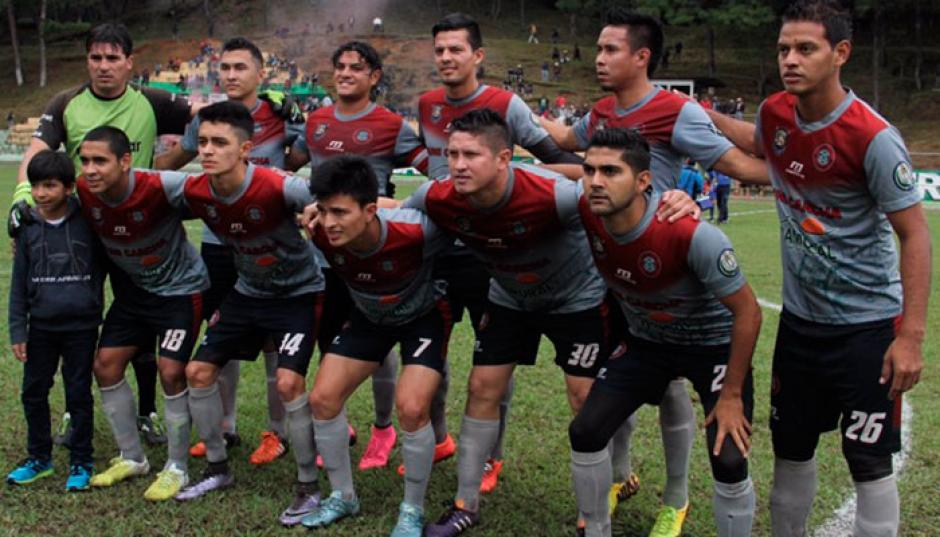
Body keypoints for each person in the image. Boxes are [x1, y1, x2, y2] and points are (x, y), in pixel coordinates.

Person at [415, 109, 696, 537]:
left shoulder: (555, 195)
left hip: (576, 301)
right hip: (509, 298)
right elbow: (390, 214)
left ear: (505, 158)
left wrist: (675, 199)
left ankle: (592, 517)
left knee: (584, 399)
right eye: (452, 154)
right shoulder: (439, 195)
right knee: (481, 388)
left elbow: (623, 203)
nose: (457, 164)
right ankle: (464, 504)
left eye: (471, 154)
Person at [707, 2, 931, 535]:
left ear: (840, 54)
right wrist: (695, 115)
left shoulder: (872, 137)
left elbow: (915, 233)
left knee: (869, 461)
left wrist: (911, 337)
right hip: (802, 328)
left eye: (805, 49)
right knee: (791, 450)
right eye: (784, 48)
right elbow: (759, 145)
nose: (790, 59)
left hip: (868, 328)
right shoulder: (775, 113)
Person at [539, 10, 769, 531]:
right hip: (623, 282)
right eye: (597, 49)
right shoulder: (599, 114)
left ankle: (676, 496)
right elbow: (570, 145)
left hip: (671, 253)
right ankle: (617, 482)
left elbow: (735, 164)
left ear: (642, 57)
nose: (598, 58)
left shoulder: (674, 110)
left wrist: (807, 176)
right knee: (621, 397)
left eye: (610, 50)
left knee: (677, 402)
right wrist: (505, 120)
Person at [416, 12, 584, 492]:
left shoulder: (504, 104)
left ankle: (491, 457)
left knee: (493, 361)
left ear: (478, 56)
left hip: (491, 254)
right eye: (440, 50)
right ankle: (441, 439)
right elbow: (424, 159)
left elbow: (553, 156)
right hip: (438, 248)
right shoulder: (427, 103)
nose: (446, 58)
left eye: (456, 49)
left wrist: (592, 177)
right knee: (431, 353)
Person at [10, 23, 195, 447]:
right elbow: (37, 152)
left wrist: (169, 163)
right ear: (87, 61)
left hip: (140, 231)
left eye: (113, 58)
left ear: (130, 63)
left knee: (144, 319)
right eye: (96, 57)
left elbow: (207, 122)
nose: (104, 66)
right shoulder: (67, 103)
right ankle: (76, 413)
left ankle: (147, 413)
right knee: (79, 320)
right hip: (83, 232)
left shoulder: (154, 100)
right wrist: (22, 198)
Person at [569, 127, 761, 537]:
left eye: (610, 171)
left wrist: (730, 396)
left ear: (643, 181)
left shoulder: (690, 233)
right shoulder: (587, 208)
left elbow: (748, 313)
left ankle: (684, 504)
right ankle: (596, 530)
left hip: (712, 349)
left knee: (728, 458)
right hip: (647, 344)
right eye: (588, 170)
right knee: (585, 431)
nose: (596, 181)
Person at [173, 102, 325, 530]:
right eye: (202, 142)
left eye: (219, 143)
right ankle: (218, 468)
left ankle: (308, 485)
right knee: (199, 372)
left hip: (298, 293)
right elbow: (144, 187)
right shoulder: (196, 190)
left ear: (245, 149)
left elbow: (327, 199)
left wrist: (318, 210)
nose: (206, 151)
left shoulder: (281, 186)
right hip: (247, 292)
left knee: (289, 380)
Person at [156, 37, 307, 466]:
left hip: (272, 244)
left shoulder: (279, 114)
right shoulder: (205, 120)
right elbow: (175, 159)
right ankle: (225, 425)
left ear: (262, 73)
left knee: (275, 344)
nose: (232, 75)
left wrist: (301, 125)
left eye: (241, 67)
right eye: (225, 68)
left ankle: (276, 433)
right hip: (218, 244)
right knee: (221, 338)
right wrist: (140, 176)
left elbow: (296, 163)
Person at [289, 40, 430, 471]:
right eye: (340, 66)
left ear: (374, 77)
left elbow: (433, 173)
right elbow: (289, 161)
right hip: (326, 255)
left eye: (357, 67)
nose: (346, 73)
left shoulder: (391, 125)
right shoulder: (316, 122)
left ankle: (384, 428)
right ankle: (340, 422)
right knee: (329, 340)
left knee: (381, 344)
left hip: (376, 253)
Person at [300, 156, 450, 536]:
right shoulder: (319, 231)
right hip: (370, 317)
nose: (330, 222)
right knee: (322, 398)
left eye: (340, 212)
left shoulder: (418, 231)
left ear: (370, 210)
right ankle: (343, 496)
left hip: (422, 318)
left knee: (413, 407)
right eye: (324, 210)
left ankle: (412, 510)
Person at [75, 126, 209, 501]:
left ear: (125, 161)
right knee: (105, 365)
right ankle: (132, 457)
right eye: (85, 161)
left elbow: (216, 191)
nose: (90, 169)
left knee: (171, 371)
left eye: (100, 160)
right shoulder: (84, 190)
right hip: (135, 294)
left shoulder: (160, 185)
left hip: (180, 291)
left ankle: (177, 467)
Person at [6, 150, 105, 492]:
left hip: (81, 326)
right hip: (41, 327)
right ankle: (39, 458)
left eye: (49, 186)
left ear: (68, 188)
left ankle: (81, 460)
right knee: (33, 392)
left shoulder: (89, 222)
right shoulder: (28, 227)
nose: (41, 194)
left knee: (78, 393)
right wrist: (19, 328)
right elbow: (18, 283)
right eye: (35, 186)